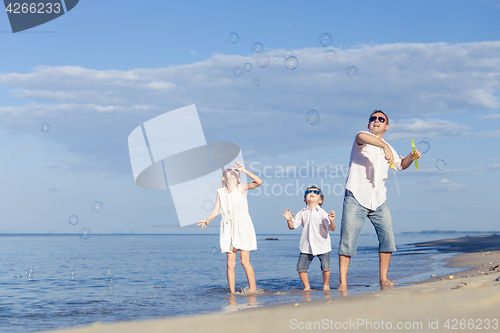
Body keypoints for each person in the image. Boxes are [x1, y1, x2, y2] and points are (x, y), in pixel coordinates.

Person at [338, 110, 421, 291]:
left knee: (387, 239)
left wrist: (411, 157)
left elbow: (400, 165)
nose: (376, 121)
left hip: (379, 198)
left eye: (380, 119)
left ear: (386, 126)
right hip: (356, 196)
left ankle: (383, 279)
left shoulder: (389, 147)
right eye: (372, 119)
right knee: (347, 240)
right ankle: (343, 283)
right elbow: (361, 136)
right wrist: (383, 147)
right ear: (369, 124)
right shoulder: (363, 138)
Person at [197, 161, 262, 293]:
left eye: (235, 171)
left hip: (242, 225)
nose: (232, 172)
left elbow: (258, 182)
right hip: (227, 226)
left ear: (239, 178)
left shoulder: (241, 188)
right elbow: (216, 211)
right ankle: (232, 293)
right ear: (223, 177)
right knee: (230, 263)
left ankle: (253, 290)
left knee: (244, 261)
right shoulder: (220, 192)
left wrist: (244, 170)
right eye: (229, 170)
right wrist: (208, 219)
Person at [282, 186, 336, 291]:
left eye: (316, 192)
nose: (312, 193)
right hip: (306, 246)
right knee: (301, 268)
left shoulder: (323, 213)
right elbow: (292, 226)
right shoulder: (302, 212)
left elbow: (332, 228)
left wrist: (332, 221)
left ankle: (326, 285)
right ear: (304, 199)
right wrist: (289, 220)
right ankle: (307, 287)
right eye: (308, 192)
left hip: (322, 245)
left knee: (326, 267)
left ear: (320, 200)